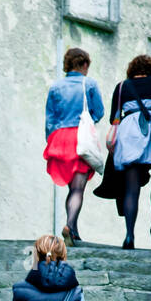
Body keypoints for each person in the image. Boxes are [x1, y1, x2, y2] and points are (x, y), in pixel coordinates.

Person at [108, 53, 151, 249]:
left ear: (132, 70)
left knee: (132, 188)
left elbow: (113, 118)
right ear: (150, 69)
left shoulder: (122, 86)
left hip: (130, 134)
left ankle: (129, 236)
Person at [43, 47, 105, 245]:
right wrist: (89, 122)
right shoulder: (90, 84)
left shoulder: (55, 87)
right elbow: (100, 112)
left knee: (72, 189)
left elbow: (50, 119)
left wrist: (51, 139)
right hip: (80, 138)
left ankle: (74, 231)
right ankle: (70, 225)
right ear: (84, 64)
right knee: (78, 190)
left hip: (60, 139)